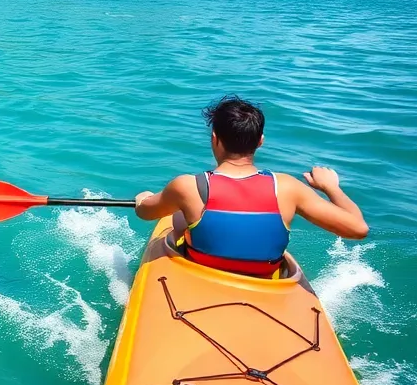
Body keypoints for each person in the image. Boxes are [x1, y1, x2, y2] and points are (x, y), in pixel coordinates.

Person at [134, 96, 368, 277]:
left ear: (214, 138)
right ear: (260, 141)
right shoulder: (287, 187)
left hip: (202, 273)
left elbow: (145, 213)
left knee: (177, 218)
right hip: (263, 281)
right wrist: (330, 187)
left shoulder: (187, 187)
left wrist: (143, 198)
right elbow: (358, 229)